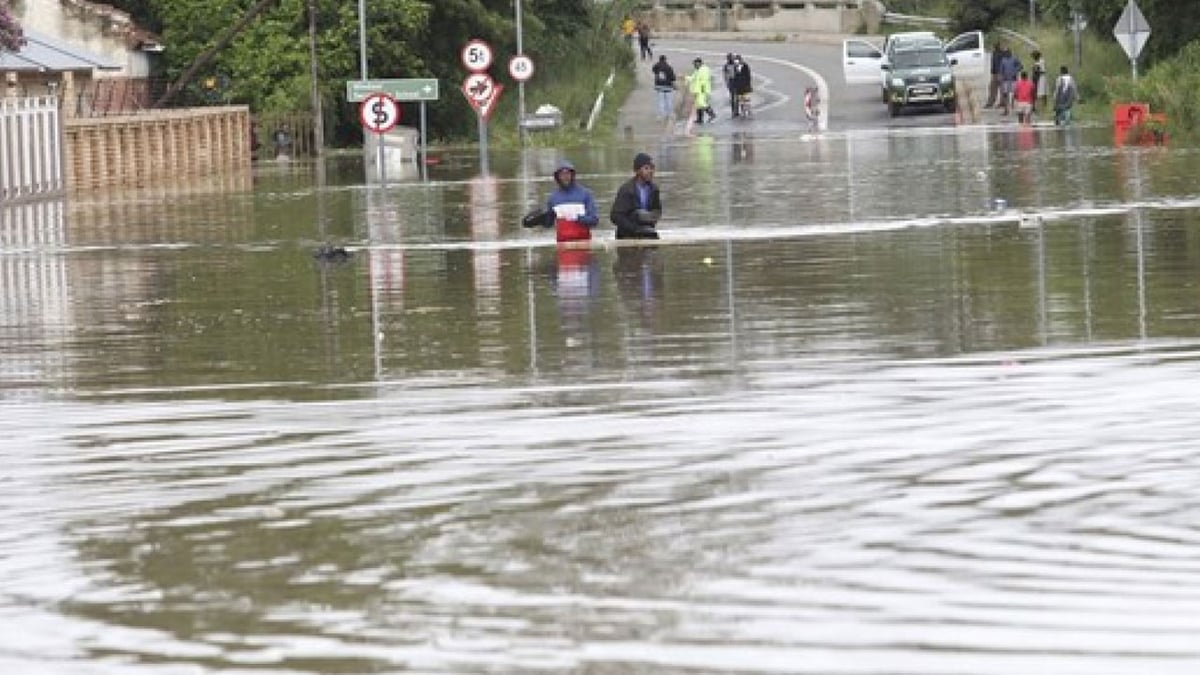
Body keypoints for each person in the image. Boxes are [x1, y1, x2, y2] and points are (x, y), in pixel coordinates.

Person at [544, 160, 599, 242]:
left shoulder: (585, 194)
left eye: (567, 173)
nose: (565, 177)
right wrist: (539, 219)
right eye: (562, 174)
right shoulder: (553, 198)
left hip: (583, 242)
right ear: (557, 176)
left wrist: (577, 218)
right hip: (562, 243)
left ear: (572, 175)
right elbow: (548, 223)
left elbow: (594, 220)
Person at [610, 153, 662, 240]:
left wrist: (650, 217)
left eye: (652, 168)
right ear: (637, 171)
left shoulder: (654, 189)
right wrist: (635, 228)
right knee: (638, 214)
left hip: (647, 230)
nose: (650, 171)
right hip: (627, 234)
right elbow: (615, 216)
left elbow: (657, 210)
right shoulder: (626, 189)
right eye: (646, 168)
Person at [688, 57, 716, 125]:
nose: (694, 65)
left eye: (695, 63)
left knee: (702, 103)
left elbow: (704, 80)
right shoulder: (697, 70)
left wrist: (703, 89)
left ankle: (712, 114)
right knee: (698, 104)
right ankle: (700, 119)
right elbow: (693, 78)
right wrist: (685, 78)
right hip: (698, 90)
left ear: (699, 63)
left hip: (702, 90)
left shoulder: (703, 70)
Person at [997, 48, 1022, 116]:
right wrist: (1000, 77)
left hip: (1013, 79)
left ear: (1010, 52)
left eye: (1007, 52)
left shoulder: (1014, 59)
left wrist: (1015, 71)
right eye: (1005, 52)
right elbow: (1001, 70)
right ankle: (1006, 110)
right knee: (1005, 95)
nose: (1006, 53)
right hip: (1005, 80)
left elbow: (1020, 66)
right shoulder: (1003, 60)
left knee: (1015, 95)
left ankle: (1017, 109)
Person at [651, 55, 676, 121]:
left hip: (659, 87)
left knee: (661, 101)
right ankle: (669, 114)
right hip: (668, 87)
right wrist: (674, 85)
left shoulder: (657, 66)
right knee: (669, 101)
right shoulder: (669, 67)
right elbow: (673, 78)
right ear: (665, 60)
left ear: (659, 60)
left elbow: (653, 70)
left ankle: (661, 115)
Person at [984, 42, 1004, 108]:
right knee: (999, 88)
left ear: (995, 47)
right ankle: (1000, 102)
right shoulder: (1001, 54)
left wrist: (993, 73)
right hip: (999, 73)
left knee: (993, 88)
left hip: (998, 73)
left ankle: (991, 102)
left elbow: (994, 64)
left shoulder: (996, 54)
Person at [722, 53, 739, 117]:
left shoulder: (735, 64)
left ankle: (736, 111)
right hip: (731, 81)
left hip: (735, 81)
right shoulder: (726, 66)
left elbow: (739, 72)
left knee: (736, 96)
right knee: (733, 97)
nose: (730, 59)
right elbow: (725, 75)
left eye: (731, 58)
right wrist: (727, 82)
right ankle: (733, 111)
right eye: (729, 58)